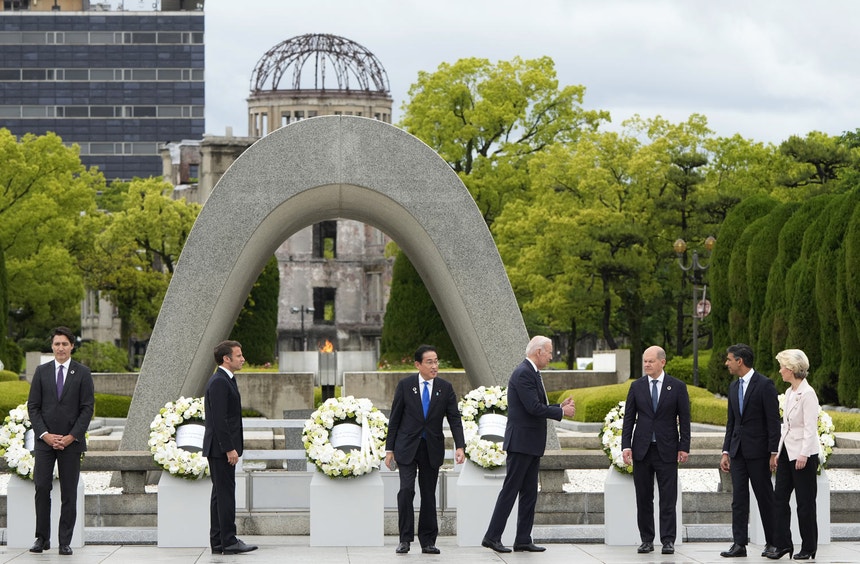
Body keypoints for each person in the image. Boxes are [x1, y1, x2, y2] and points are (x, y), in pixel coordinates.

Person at [481, 335, 576, 554]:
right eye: (550, 352)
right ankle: (492, 536)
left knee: (529, 493)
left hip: (530, 443)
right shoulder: (523, 373)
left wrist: (557, 406)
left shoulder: (531, 372)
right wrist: (561, 412)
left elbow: (535, 405)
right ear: (539, 352)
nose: (551, 356)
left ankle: (523, 538)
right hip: (521, 443)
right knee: (511, 490)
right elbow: (533, 408)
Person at [385, 345, 466, 554]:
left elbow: (455, 419)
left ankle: (428, 541)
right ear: (418, 365)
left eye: (436, 361)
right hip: (406, 447)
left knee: (429, 494)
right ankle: (404, 539)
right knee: (406, 490)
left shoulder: (445, 388)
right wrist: (389, 449)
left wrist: (460, 446)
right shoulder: (405, 386)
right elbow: (394, 419)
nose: (434, 366)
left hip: (431, 448)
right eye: (429, 362)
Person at [27, 327, 94, 556]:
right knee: (41, 487)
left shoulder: (83, 373)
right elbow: (33, 407)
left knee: (68, 492)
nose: (61, 348)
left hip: (71, 443)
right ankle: (42, 538)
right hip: (45, 443)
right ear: (52, 346)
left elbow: (87, 409)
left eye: (65, 344)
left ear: (72, 346)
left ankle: (64, 541)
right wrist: (44, 434)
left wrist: (71, 436)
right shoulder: (42, 371)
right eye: (57, 344)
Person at [621, 345, 691, 555]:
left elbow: (685, 420)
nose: (647, 365)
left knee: (668, 497)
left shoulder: (677, 387)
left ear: (663, 362)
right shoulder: (637, 386)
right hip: (642, 449)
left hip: (667, 450)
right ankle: (647, 539)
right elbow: (629, 419)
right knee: (644, 497)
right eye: (645, 361)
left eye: (651, 361)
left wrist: (684, 447)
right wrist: (626, 446)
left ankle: (668, 540)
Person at [720, 343, 781, 558]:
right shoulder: (733, 387)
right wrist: (725, 451)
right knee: (738, 499)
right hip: (737, 453)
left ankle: (773, 543)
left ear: (740, 361)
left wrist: (773, 452)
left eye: (729, 359)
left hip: (759, 453)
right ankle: (739, 545)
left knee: (765, 497)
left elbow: (773, 422)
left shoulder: (765, 385)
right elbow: (731, 423)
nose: (726, 363)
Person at [203, 340, 257, 555]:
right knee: (225, 495)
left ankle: (219, 542)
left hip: (219, 449)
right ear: (226, 358)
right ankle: (229, 541)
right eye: (238, 355)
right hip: (220, 450)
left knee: (220, 495)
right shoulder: (219, 382)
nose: (242, 359)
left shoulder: (226, 380)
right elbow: (219, 420)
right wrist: (229, 449)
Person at [766, 349, 819, 560]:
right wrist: (778, 452)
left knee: (805, 503)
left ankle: (809, 547)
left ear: (791, 369)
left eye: (782, 367)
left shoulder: (808, 394)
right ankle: (783, 545)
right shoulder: (789, 393)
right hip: (787, 453)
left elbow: (810, 428)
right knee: (779, 499)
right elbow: (785, 427)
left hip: (803, 455)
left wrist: (804, 455)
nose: (780, 371)